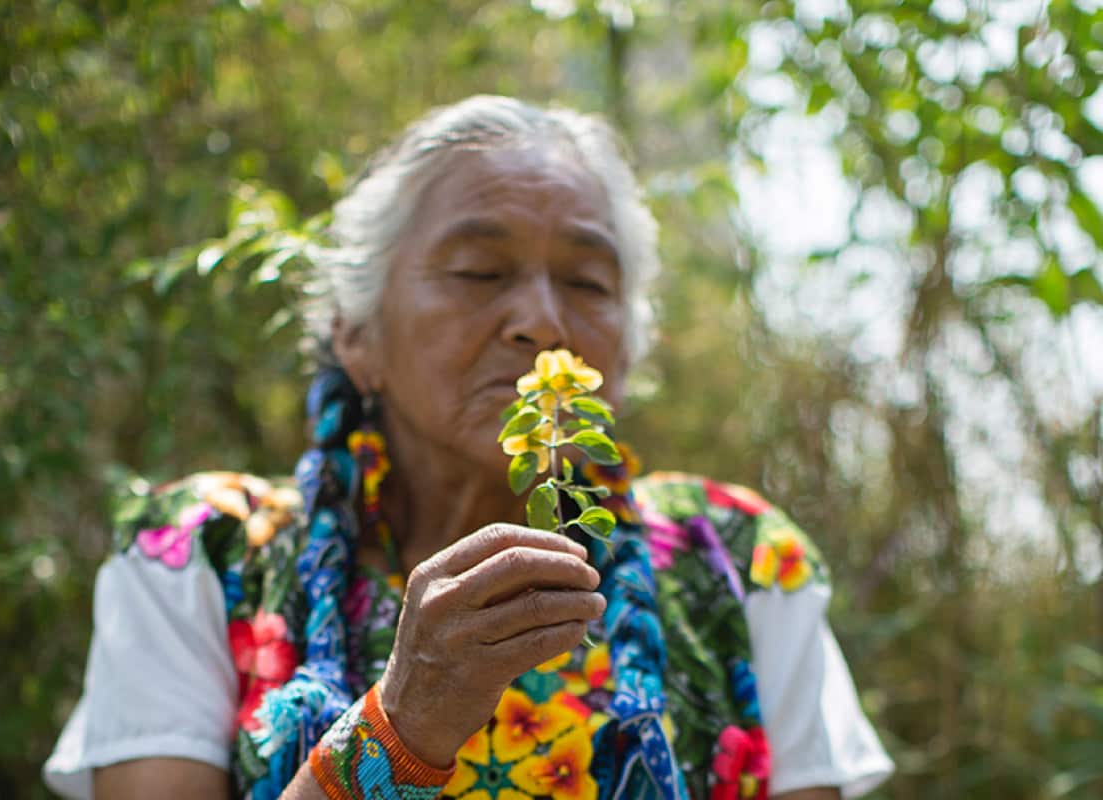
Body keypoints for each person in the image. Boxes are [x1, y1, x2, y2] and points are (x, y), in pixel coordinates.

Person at [44, 95, 894, 800]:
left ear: (627, 356)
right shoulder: (198, 554)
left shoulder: (741, 561)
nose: (543, 321)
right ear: (356, 333)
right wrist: (404, 727)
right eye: (479, 273)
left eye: (588, 283)